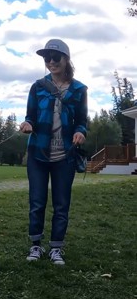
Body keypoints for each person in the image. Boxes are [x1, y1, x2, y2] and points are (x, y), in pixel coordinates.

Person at [19, 39, 88, 266]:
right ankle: (35, 246)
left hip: (65, 155)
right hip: (38, 152)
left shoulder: (79, 90)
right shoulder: (38, 86)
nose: (50, 62)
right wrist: (27, 124)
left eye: (55, 57)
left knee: (61, 204)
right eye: (46, 58)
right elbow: (30, 115)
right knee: (37, 202)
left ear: (66, 59)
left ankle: (56, 248)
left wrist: (80, 132)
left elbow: (82, 121)